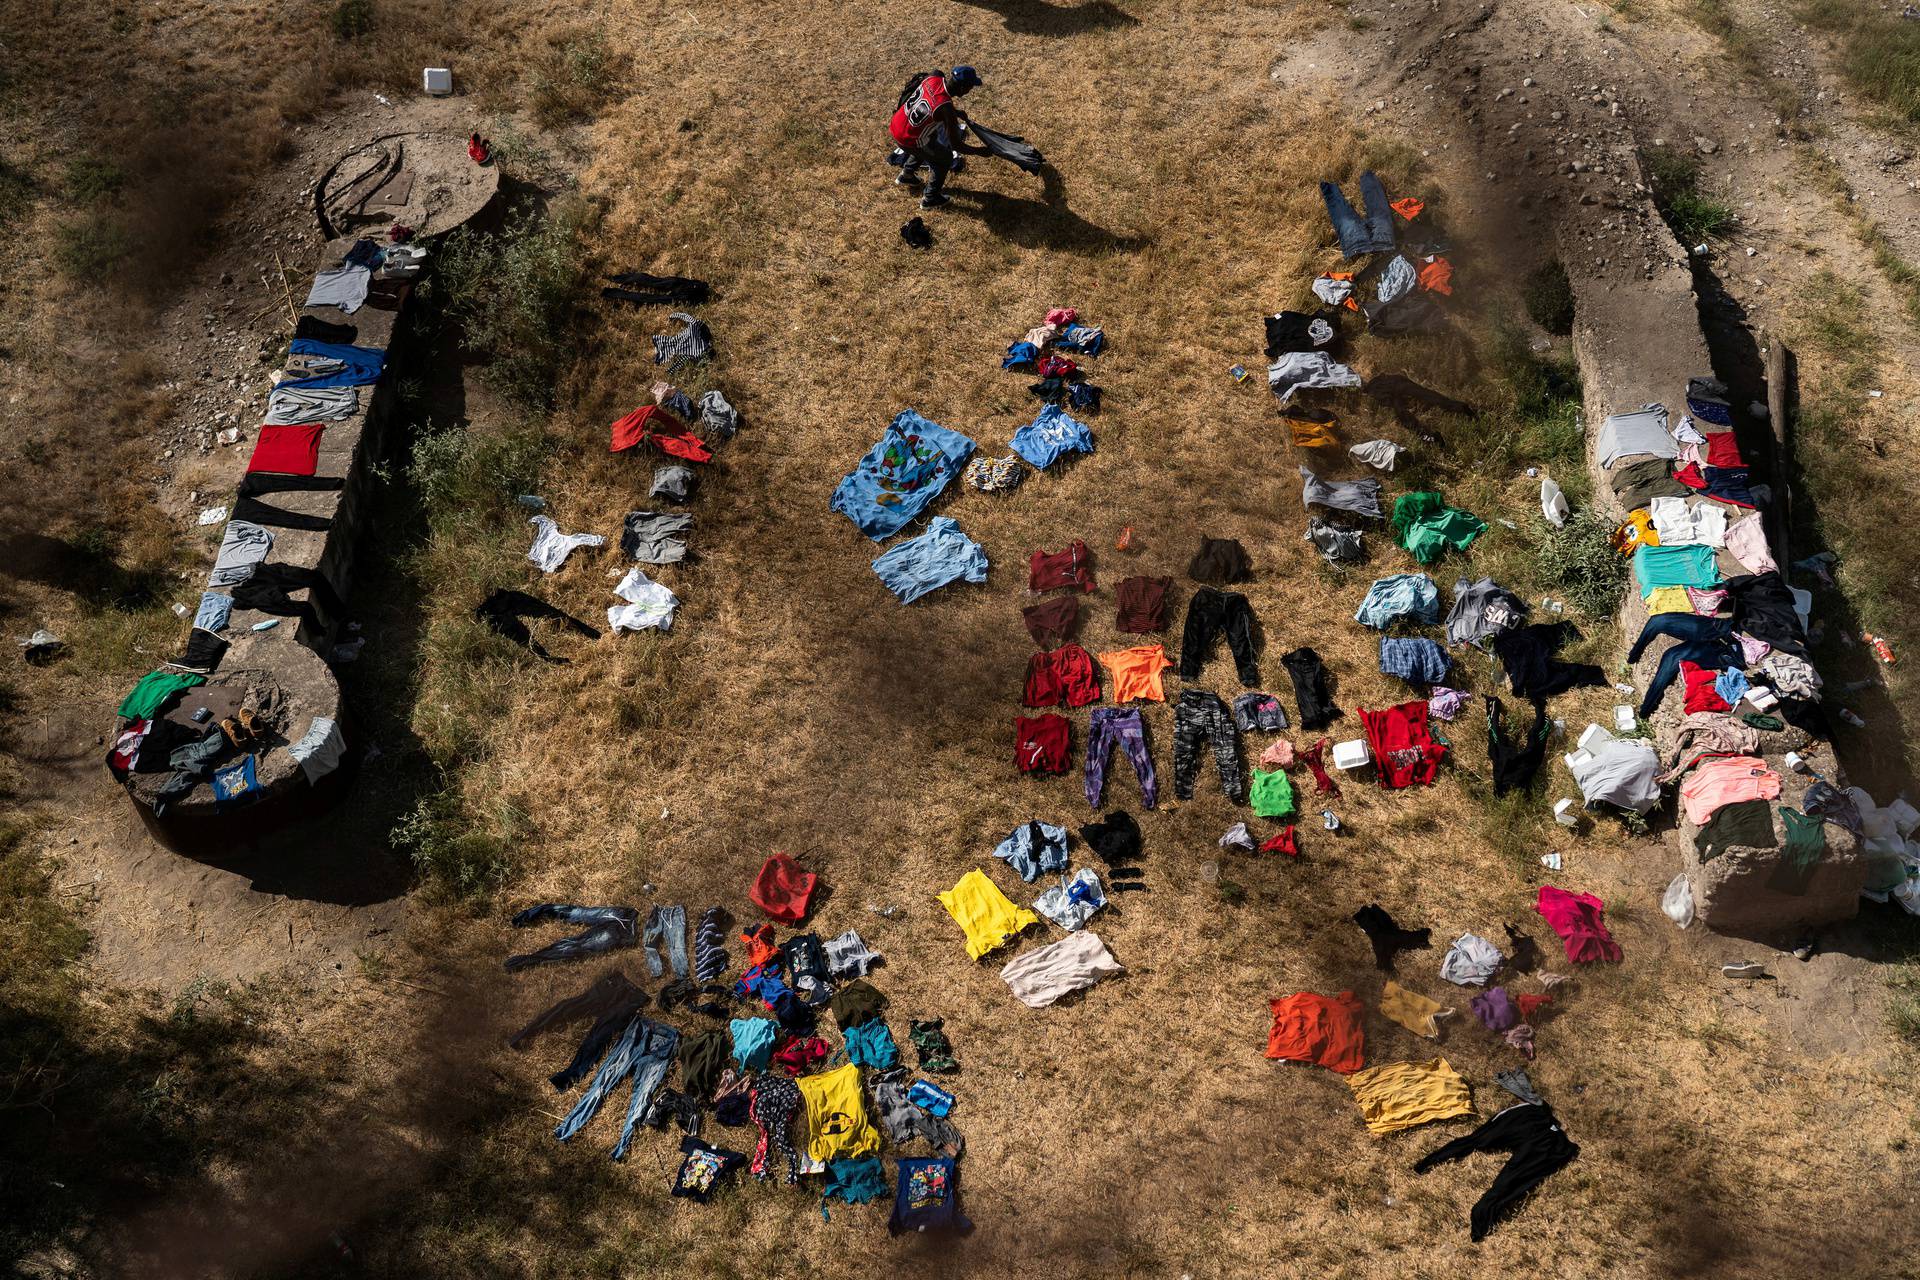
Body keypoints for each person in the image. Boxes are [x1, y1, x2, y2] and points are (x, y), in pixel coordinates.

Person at [889, 65, 987, 209]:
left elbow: (934, 97)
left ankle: (907, 175)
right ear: (962, 88)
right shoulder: (945, 109)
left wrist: (955, 112)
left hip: (897, 123)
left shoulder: (934, 76)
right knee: (944, 158)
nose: (970, 90)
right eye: (970, 87)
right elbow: (956, 145)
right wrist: (979, 151)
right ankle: (930, 198)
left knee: (930, 138)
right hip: (907, 139)